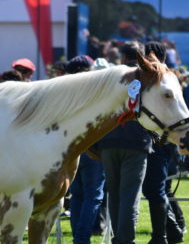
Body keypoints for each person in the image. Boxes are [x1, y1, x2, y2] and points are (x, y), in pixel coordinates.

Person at [96, 41, 152, 244]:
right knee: (130, 196)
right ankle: (125, 240)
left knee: (115, 194)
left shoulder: (111, 78)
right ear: (143, 57)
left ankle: (118, 238)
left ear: (122, 57)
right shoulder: (147, 78)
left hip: (109, 141)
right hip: (137, 142)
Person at [142, 41, 184, 244]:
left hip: (159, 142)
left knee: (155, 189)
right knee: (154, 189)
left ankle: (164, 234)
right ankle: (172, 230)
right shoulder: (171, 77)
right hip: (163, 142)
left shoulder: (162, 79)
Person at [67, 55, 106, 244]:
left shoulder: (64, 91)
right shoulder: (93, 91)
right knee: (94, 196)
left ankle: (78, 237)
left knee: (78, 196)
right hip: (91, 150)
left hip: (71, 151)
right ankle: (81, 239)